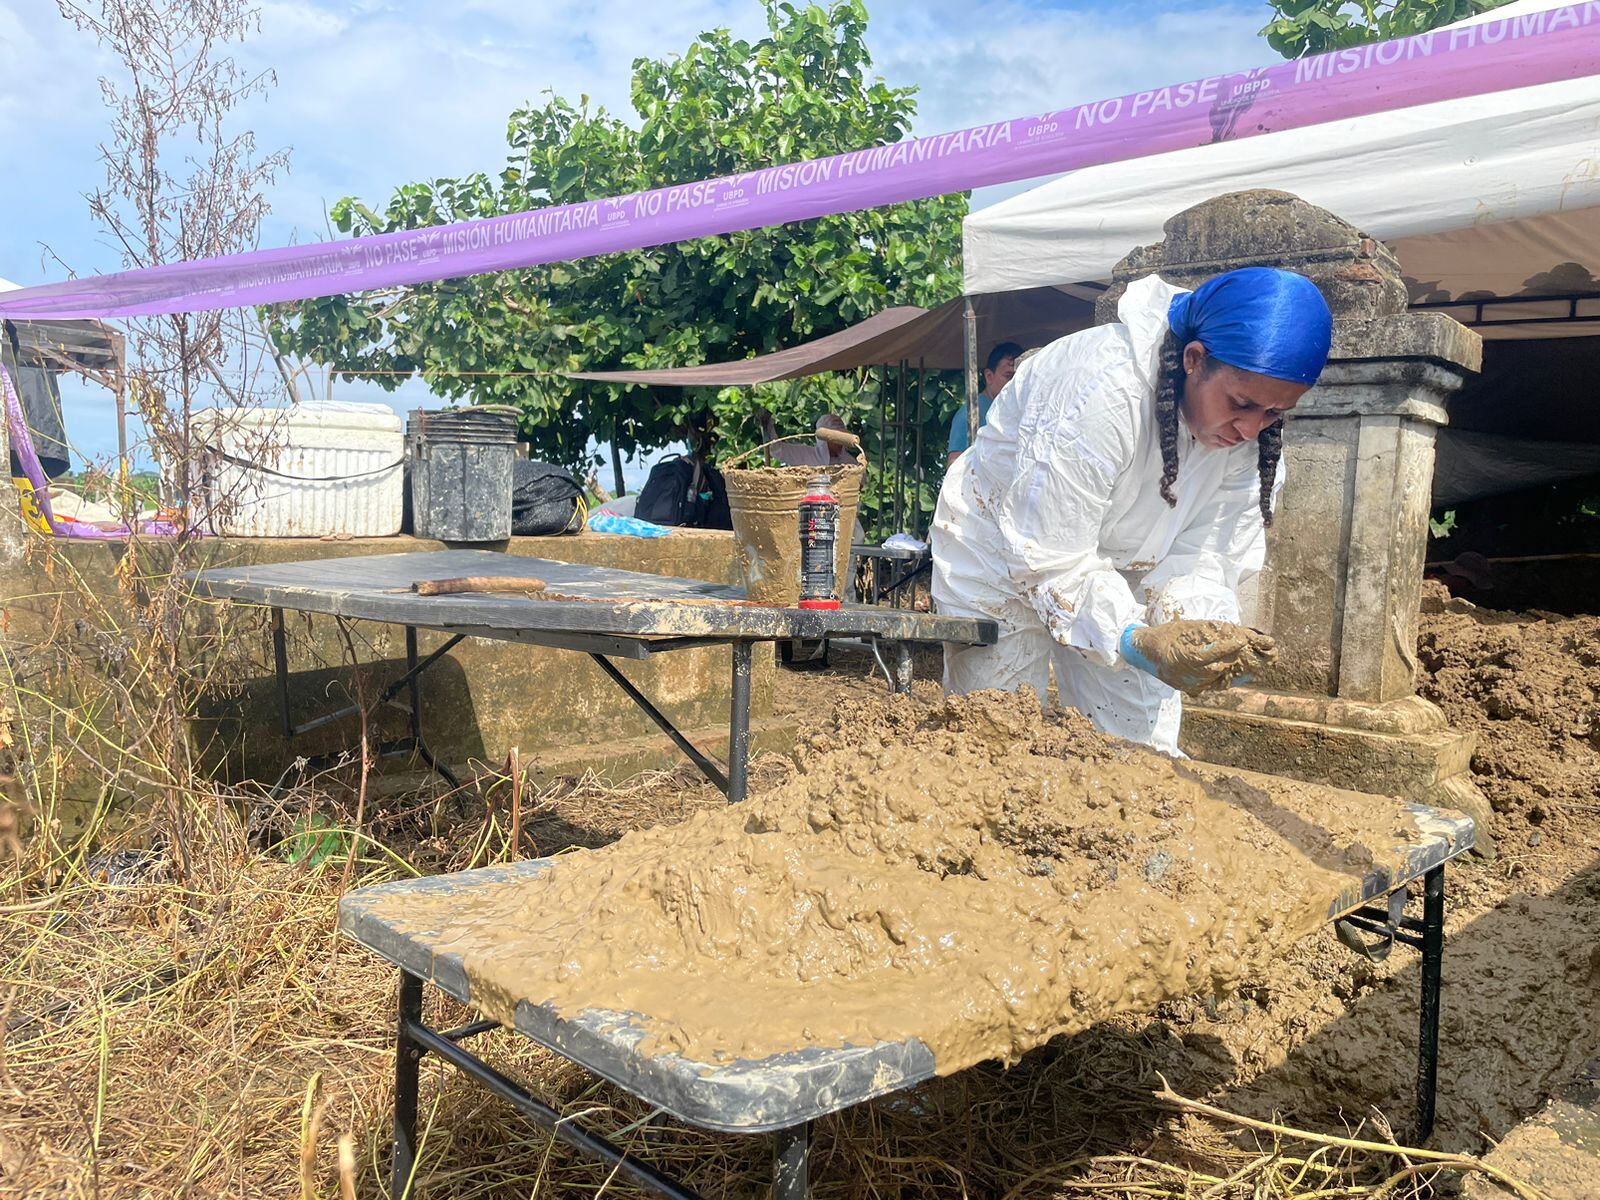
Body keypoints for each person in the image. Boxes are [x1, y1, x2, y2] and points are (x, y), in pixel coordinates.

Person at [931, 267, 1333, 755]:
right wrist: (1130, 639)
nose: (1250, 430)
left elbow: (1206, 555)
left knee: (1140, 752)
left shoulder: (1254, 444)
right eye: (1241, 404)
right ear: (1193, 359)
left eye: (1273, 413)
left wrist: (1196, 632)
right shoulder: (1098, 391)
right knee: (996, 733)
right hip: (998, 551)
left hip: (1124, 566)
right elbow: (1050, 559)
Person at [947, 341, 1022, 464]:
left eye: (1018, 377)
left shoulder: (1021, 411)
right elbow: (955, 464)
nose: (1014, 383)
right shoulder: (970, 414)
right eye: (1008, 376)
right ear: (989, 376)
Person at [771, 413, 862, 468]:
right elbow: (777, 450)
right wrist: (768, 427)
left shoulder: (849, 462)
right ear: (825, 440)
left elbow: (861, 483)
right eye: (835, 439)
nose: (839, 443)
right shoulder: (805, 455)